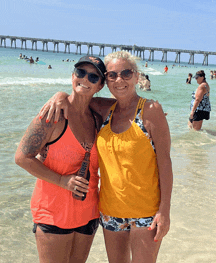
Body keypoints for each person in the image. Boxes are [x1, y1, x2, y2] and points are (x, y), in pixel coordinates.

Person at [40, 51, 173, 263]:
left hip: (146, 212)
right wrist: (61, 95)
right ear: (106, 82)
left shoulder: (150, 110)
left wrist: (164, 212)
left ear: (137, 77)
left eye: (126, 73)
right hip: (110, 211)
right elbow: (80, 97)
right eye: (112, 75)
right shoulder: (104, 109)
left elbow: (165, 163)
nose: (119, 80)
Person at [15, 55, 106, 263]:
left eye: (93, 77)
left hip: (88, 213)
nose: (85, 79)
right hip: (52, 213)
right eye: (80, 73)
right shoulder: (53, 114)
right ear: (72, 75)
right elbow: (21, 157)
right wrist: (62, 181)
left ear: (100, 86)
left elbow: (124, 103)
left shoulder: (97, 119)